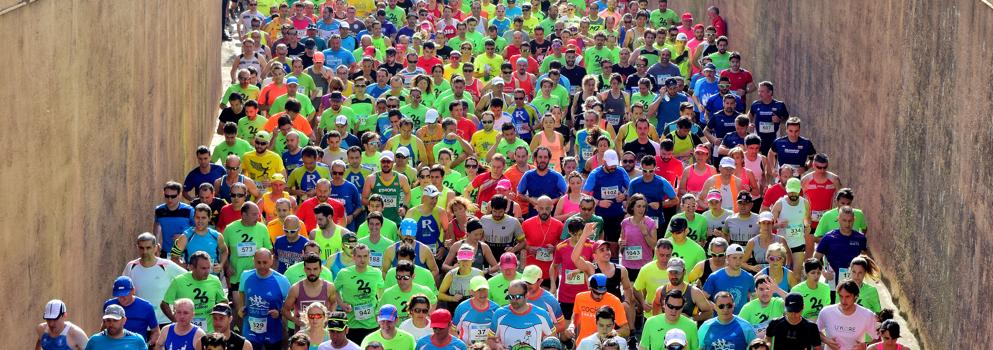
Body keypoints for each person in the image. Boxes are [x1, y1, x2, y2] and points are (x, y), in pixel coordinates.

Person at [123, 233, 188, 327]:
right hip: (139, 321)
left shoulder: (167, 265)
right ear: (137, 248)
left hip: (163, 321)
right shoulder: (131, 266)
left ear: (156, 247)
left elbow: (188, 279)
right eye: (141, 248)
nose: (145, 251)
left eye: (148, 248)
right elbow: (124, 291)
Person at [237, 249, 291, 350]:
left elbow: (290, 303)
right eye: (258, 262)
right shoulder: (246, 275)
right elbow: (241, 291)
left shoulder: (281, 280)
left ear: (272, 260)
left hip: (273, 329)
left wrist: (279, 312)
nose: (262, 266)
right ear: (253, 261)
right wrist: (241, 307)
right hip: (250, 329)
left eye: (265, 262)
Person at [162, 251, 227, 332]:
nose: (207, 272)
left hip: (210, 331)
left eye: (208, 268)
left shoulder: (215, 280)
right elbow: (164, 304)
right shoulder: (178, 281)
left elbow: (223, 301)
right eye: (203, 268)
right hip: (185, 331)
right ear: (192, 267)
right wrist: (176, 321)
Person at [334, 243, 385, 343]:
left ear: (369, 257)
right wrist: (342, 304)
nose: (362, 259)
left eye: (365, 256)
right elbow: (333, 290)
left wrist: (378, 309)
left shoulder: (376, 273)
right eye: (359, 256)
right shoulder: (344, 273)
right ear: (353, 257)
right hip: (351, 323)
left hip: (371, 323)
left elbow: (381, 291)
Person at [814, 206, 868, 293]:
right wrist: (823, 272)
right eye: (844, 220)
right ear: (838, 219)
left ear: (854, 219)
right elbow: (816, 258)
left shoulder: (860, 238)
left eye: (850, 221)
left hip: (853, 282)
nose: (847, 224)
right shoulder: (829, 237)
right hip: (832, 281)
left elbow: (864, 259)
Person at [282, 253, 340, 331]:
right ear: (304, 269)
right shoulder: (296, 289)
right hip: (302, 337)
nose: (312, 272)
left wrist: (329, 317)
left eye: (315, 269)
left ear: (321, 269)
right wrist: (295, 320)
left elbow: (334, 302)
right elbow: (285, 310)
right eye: (309, 269)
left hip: (322, 336)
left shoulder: (329, 287)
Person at [551, 218, 595, 318]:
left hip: (586, 293)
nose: (578, 237)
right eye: (575, 234)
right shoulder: (560, 247)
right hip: (566, 295)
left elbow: (596, 266)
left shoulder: (591, 245)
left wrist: (579, 270)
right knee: (566, 329)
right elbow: (554, 266)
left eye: (580, 234)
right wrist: (553, 284)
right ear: (569, 232)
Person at [491, 280, 554, 349]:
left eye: (517, 297)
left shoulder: (541, 314)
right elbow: (490, 340)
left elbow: (553, 340)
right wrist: (497, 346)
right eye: (510, 297)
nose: (513, 300)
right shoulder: (499, 314)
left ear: (526, 295)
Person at [816, 280, 878, 349]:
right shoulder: (826, 312)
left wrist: (866, 346)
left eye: (847, 296)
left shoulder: (867, 315)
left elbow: (878, 338)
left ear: (855, 296)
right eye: (841, 296)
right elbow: (815, 331)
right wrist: (826, 340)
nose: (843, 301)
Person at [568, 274, 629, 343]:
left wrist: (612, 334)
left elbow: (626, 330)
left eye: (603, 293)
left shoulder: (615, 301)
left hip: (604, 346)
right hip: (583, 344)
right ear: (590, 288)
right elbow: (576, 315)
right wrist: (572, 325)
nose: (600, 296)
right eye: (597, 293)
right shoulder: (580, 297)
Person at [770, 177, 811, 276]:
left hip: (798, 243)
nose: (793, 194)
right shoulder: (780, 204)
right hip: (782, 245)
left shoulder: (805, 203)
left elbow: (807, 220)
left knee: (796, 275)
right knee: (780, 274)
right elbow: (768, 226)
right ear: (786, 190)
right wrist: (778, 225)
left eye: (795, 192)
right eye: (791, 192)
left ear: (800, 190)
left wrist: (807, 227)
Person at [104, 276, 160, 344]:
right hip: (113, 345)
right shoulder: (109, 305)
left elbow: (156, 331)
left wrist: (147, 345)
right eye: (118, 294)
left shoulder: (146, 307)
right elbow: (104, 326)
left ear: (133, 290)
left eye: (125, 294)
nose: (122, 298)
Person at [702, 244, 755, 314]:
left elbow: (752, 298)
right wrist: (716, 307)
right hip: (720, 320)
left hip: (740, 320)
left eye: (740, 258)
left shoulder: (749, 277)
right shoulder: (714, 277)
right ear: (727, 258)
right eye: (734, 258)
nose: (738, 261)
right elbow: (703, 298)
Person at [453, 276, 500, 345]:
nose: (482, 293)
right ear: (471, 292)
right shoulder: (462, 308)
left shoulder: (496, 309)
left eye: (485, 289)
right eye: (479, 290)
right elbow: (453, 330)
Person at [155, 181, 196, 258]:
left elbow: (197, 229)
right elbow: (157, 225)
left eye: (173, 196)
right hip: (166, 252)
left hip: (185, 253)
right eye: (167, 196)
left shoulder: (189, 211)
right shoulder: (159, 210)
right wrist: (156, 243)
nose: (169, 199)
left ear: (179, 194)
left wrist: (184, 236)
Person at [738, 275, 787, 339]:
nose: (765, 293)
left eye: (768, 289)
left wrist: (778, 290)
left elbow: (795, 302)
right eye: (761, 289)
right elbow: (738, 330)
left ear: (773, 290)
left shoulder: (778, 303)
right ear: (756, 290)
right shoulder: (747, 308)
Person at [439, 244, 485, 311]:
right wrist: (452, 298)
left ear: (473, 259)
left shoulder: (479, 274)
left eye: (467, 259)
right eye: (462, 259)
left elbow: (485, 293)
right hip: (455, 308)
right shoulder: (451, 275)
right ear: (458, 260)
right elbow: (439, 294)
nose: (465, 262)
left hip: (473, 309)